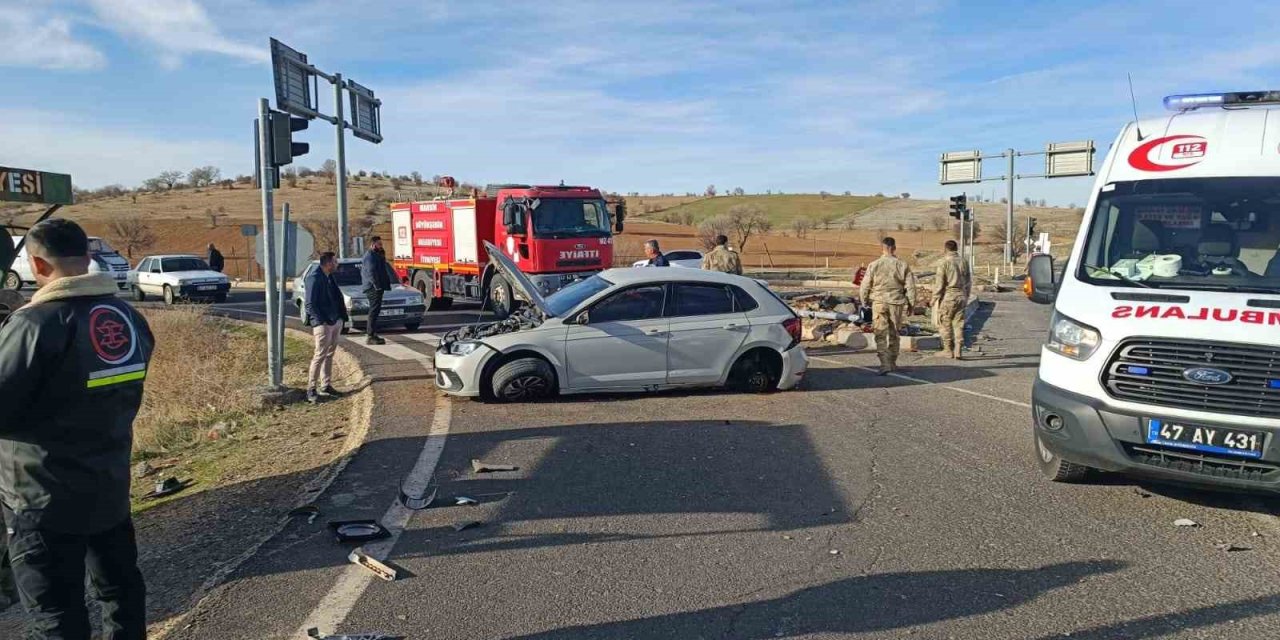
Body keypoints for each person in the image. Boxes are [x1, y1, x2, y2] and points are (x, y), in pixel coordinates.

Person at [0, 218, 153, 638]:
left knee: (56, 613)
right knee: (121, 592)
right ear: (87, 258)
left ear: (36, 264)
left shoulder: (33, 325)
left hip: (41, 495)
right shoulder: (128, 318)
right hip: (108, 484)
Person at [859, 236, 917, 375]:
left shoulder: (874, 265)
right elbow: (911, 287)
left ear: (883, 248)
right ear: (894, 248)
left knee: (880, 333)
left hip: (879, 302)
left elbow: (865, 286)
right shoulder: (902, 265)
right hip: (896, 302)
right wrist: (911, 304)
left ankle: (884, 363)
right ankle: (892, 362)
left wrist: (864, 301)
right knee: (894, 333)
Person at [305, 252, 349, 404]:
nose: (337, 264)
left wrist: (341, 318)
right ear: (328, 263)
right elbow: (310, 304)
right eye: (335, 262)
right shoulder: (315, 277)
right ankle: (311, 389)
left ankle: (326, 385)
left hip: (335, 320)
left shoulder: (329, 276)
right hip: (323, 323)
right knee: (319, 355)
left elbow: (336, 297)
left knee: (329, 354)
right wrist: (320, 321)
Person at [932, 240, 971, 360]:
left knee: (945, 322)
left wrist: (934, 298)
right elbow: (969, 280)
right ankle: (958, 349)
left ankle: (948, 350)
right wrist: (967, 295)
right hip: (962, 295)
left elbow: (940, 283)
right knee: (958, 323)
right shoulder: (963, 261)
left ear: (945, 249)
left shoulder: (944, 263)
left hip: (949, 296)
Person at [360, 236, 392, 345]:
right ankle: (370, 335)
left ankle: (373, 334)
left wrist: (382, 255)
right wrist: (377, 286)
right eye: (379, 244)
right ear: (373, 245)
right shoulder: (370, 256)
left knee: (376, 310)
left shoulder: (376, 255)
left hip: (377, 287)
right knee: (373, 311)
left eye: (381, 244)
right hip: (373, 288)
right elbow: (371, 273)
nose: (381, 246)